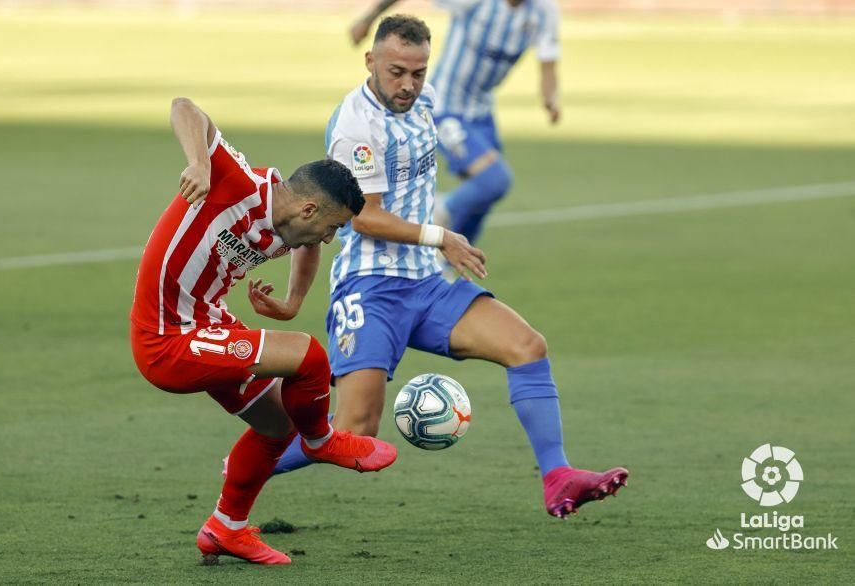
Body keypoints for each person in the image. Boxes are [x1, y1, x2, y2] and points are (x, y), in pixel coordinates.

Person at [273, 16, 628, 519]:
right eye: (397, 72)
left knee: (527, 347)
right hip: (369, 287)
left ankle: (558, 476)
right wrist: (442, 236)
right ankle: (244, 470)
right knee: (353, 432)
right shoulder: (356, 125)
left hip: (424, 283)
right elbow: (365, 215)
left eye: (418, 73)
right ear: (370, 62)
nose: (408, 85)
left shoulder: (429, 102)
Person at [130, 97, 397, 565]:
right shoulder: (236, 183)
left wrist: (293, 302)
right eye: (332, 227)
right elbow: (184, 108)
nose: (329, 239)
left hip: (204, 324)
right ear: (310, 208)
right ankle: (321, 440)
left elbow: (308, 246)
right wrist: (198, 164)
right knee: (310, 357)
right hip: (165, 340)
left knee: (277, 425)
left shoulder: (292, 224)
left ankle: (225, 528)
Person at [350, 0, 562, 248]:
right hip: (445, 106)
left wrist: (551, 97)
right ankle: (440, 210)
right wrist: (368, 19)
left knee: (483, 198)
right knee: (494, 180)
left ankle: (451, 267)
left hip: (482, 112)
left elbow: (548, 61)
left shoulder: (542, 12)